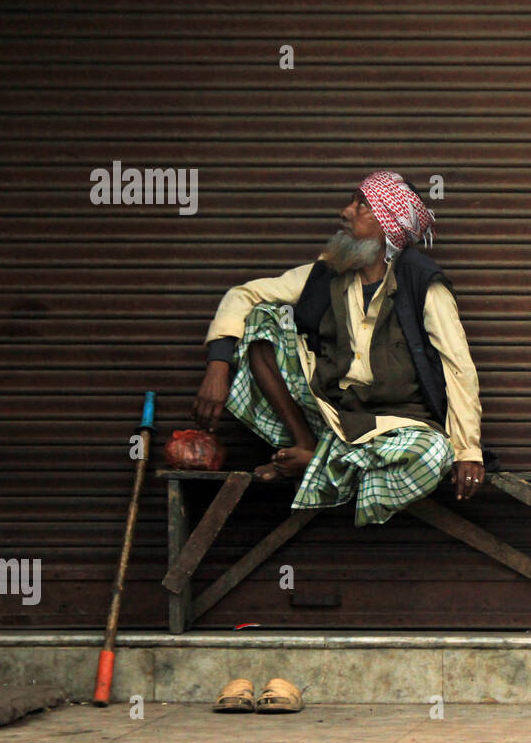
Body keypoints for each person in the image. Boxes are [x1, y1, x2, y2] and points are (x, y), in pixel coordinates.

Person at [191, 170, 488, 527]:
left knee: (433, 456)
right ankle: (310, 448)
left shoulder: (421, 284)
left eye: (360, 205)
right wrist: (218, 365)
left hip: (396, 426)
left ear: (386, 224)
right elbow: (244, 295)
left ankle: (314, 464)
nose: (345, 212)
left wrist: (469, 451)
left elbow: (458, 366)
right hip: (331, 418)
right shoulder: (327, 273)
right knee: (261, 320)